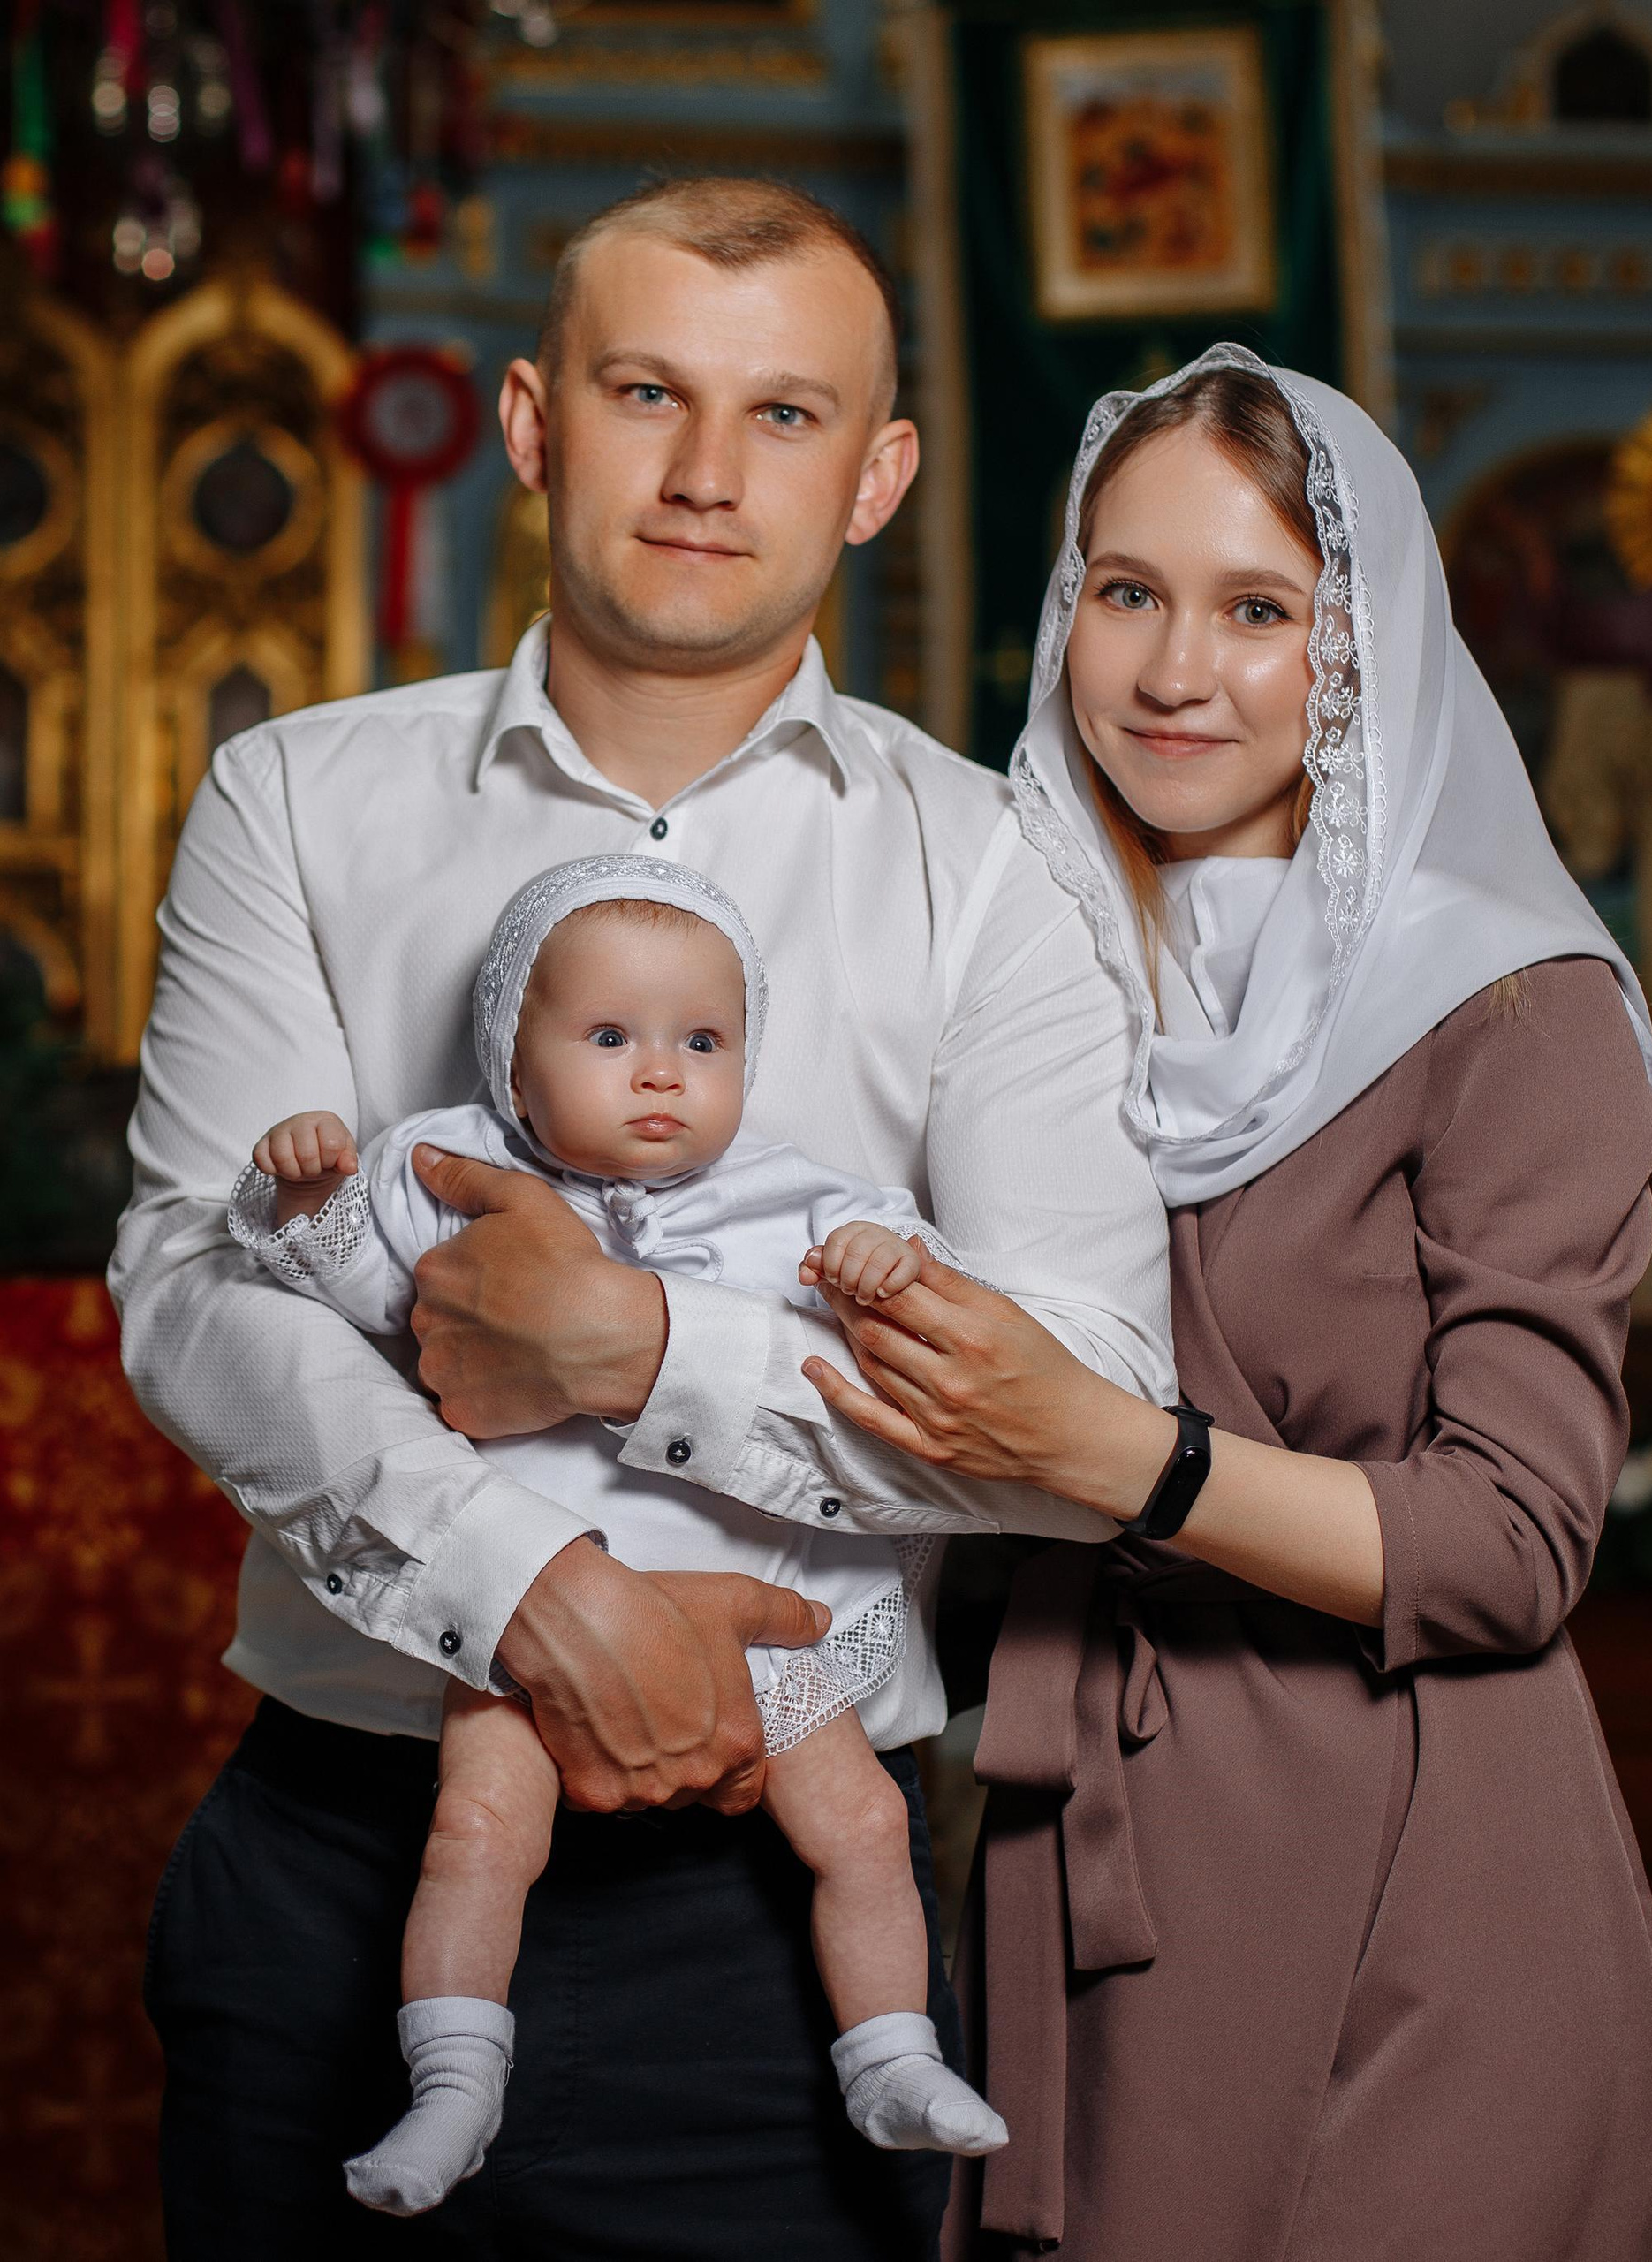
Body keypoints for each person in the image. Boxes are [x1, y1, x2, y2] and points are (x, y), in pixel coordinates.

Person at [110, 175, 1173, 2259]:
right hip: (344, 1855)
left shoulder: (999, 866)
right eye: (642, 392)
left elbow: (1087, 1399)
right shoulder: (294, 800)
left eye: (782, 414)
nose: (704, 472)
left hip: (789, 1932)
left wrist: (643, 1351)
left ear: (875, 477)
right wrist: (532, 1589)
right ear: (530, 425)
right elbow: (197, 1291)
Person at [778, 345, 1652, 2258]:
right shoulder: (1017, 964)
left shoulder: (1513, 1007)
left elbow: (1514, 1541)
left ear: (1363, 648)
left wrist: (1120, 1455)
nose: (1175, 669)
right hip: (1078, 1830)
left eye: (1259, 609)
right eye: (1127, 591)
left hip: (1412, 1853)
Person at [237, 855, 1010, 2216]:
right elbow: (352, 1294)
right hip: (534, 1623)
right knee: (478, 1832)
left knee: (864, 1823)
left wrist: (888, 1270)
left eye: (703, 1042)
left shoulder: (797, 1200)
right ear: (513, 1060)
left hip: (765, 1625)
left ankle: (892, 2055)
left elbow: (933, 1316)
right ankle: (453, 2082)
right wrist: (309, 1204)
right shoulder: (446, 1168)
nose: (662, 1072)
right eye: (609, 1037)